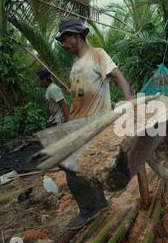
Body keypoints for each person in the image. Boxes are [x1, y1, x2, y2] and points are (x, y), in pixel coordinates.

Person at [55, 17, 134, 229]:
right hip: (78, 124)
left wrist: (129, 102)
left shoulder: (97, 55)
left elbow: (118, 76)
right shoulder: (75, 66)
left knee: (72, 171)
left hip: (95, 124)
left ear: (77, 35)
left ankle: (90, 209)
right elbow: (77, 98)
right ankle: (98, 203)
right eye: (62, 39)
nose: (64, 44)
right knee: (83, 168)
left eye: (66, 38)